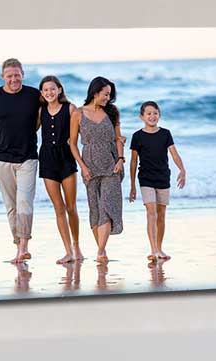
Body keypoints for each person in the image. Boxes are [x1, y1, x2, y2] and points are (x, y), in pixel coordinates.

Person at [0, 58, 42, 264]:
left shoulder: (33, 95)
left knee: (24, 202)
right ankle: (18, 246)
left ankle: (24, 247)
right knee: (11, 206)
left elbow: (45, 114)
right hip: (1, 159)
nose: (14, 79)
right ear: (2, 77)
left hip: (28, 157)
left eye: (17, 74)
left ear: (23, 73)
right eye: (9, 76)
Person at [69, 77, 124, 264]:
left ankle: (100, 251)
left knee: (107, 207)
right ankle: (102, 251)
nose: (108, 98)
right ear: (95, 92)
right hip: (89, 167)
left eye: (109, 95)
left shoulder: (113, 112)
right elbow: (73, 144)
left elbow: (118, 139)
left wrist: (121, 159)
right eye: (105, 94)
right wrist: (82, 167)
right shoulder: (77, 114)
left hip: (111, 165)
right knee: (95, 210)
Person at [128, 101, 185, 262]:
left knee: (161, 215)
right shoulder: (137, 136)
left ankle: (159, 248)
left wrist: (182, 169)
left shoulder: (166, 133)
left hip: (163, 177)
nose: (152, 116)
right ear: (142, 116)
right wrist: (132, 185)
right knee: (151, 212)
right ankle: (153, 250)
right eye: (148, 113)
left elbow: (174, 153)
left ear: (159, 115)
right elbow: (133, 162)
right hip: (146, 178)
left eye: (155, 113)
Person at [37, 75, 83, 265]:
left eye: (52, 89)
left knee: (71, 207)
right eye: (46, 90)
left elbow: (81, 131)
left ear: (60, 90)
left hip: (66, 159)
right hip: (47, 160)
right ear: (42, 93)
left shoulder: (70, 108)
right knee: (58, 208)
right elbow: (27, 131)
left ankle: (77, 246)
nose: (49, 92)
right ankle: (68, 251)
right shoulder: (41, 111)